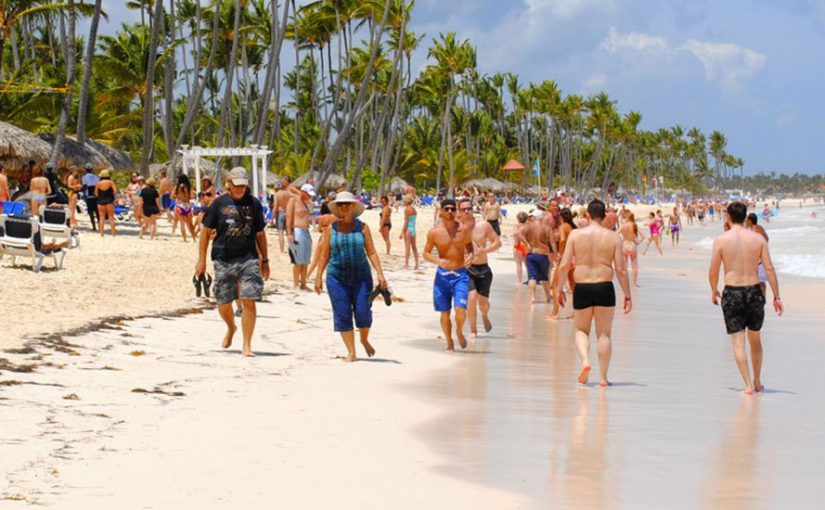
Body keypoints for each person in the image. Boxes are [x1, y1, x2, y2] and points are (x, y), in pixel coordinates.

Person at [709, 202, 783, 395]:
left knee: (737, 341)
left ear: (728, 217)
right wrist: (776, 296)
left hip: (732, 291)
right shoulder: (758, 239)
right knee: (755, 338)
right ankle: (758, 382)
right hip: (754, 291)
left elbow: (713, 270)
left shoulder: (721, 240)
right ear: (745, 217)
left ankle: (748, 385)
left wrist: (713, 290)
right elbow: (769, 268)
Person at [556, 200, 632, 387]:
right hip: (604, 286)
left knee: (581, 330)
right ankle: (603, 378)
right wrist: (627, 295)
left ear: (587, 215)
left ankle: (585, 361)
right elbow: (621, 270)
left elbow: (565, 264)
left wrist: (559, 289)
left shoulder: (575, 234)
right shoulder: (614, 237)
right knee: (604, 334)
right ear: (604, 215)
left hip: (582, 286)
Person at [196, 167, 269, 358]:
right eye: (236, 186)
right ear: (229, 184)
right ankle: (231, 327)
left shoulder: (254, 204)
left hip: (249, 258)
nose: (239, 190)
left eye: (243, 186)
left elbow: (260, 233)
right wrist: (201, 260)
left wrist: (265, 260)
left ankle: (247, 345)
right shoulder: (218, 204)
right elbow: (205, 232)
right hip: (223, 257)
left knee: (249, 300)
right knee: (223, 301)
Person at [314, 192, 388, 362]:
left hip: (361, 277)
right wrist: (318, 277)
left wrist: (380, 274)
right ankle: (351, 351)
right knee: (342, 313)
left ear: (353, 206)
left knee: (363, 312)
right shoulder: (330, 230)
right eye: (340, 205)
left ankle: (364, 339)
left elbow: (371, 251)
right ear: (337, 208)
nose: (344, 207)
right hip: (336, 277)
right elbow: (324, 255)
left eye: (347, 204)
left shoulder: (363, 228)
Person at [423, 198, 473, 351]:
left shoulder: (464, 229)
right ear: (441, 211)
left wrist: (470, 256)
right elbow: (426, 253)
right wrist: (438, 261)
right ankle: (449, 340)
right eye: (447, 209)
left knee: (460, 309)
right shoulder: (434, 232)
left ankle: (459, 331)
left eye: (453, 209)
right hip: (442, 277)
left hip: (461, 275)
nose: (450, 212)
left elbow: (469, 246)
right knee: (445, 313)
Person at [458, 197, 501, 337]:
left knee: (483, 303)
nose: (466, 212)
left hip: (483, 269)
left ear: (472, 209)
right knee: (471, 298)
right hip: (467, 270)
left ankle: (485, 315)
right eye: (463, 209)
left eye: (469, 208)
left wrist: (485, 250)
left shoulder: (484, 225)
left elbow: (497, 242)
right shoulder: (456, 229)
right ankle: (473, 330)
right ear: (459, 211)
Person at [549, 208, 577, 320]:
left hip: (566, 258)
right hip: (574, 258)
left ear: (561, 217)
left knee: (555, 285)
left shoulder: (563, 226)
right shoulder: (573, 228)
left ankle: (555, 312)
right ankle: (575, 313)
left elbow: (563, 240)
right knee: (573, 286)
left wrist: (560, 254)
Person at [287, 183, 315, 289]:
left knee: (305, 260)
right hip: (297, 231)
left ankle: (303, 283)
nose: (310, 196)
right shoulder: (293, 200)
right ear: (303, 192)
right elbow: (289, 217)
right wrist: (289, 233)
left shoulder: (306, 203)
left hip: (306, 232)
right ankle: (296, 284)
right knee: (298, 260)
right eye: (308, 194)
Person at [524, 209, 554, 303]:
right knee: (545, 277)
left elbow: (518, 233)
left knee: (532, 276)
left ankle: (533, 297)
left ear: (534, 217)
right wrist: (555, 254)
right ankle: (547, 297)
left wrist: (526, 243)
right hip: (542, 254)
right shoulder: (546, 227)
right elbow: (552, 242)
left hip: (531, 253)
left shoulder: (528, 226)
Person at [745, 213, 770, 297]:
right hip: (759, 258)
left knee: (756, 280)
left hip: (755, 258)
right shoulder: (757, 227)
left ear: (750, 220)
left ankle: (759, 297)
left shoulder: (754, 229)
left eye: (747, 219)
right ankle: (763, 297)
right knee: (761, 281)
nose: (745, 221)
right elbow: (767, 239)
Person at [619, 212, 642, 288]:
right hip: (633, 245)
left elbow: (616, 234)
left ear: (627, 218)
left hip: (625, 245)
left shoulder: (623, 226)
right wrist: (638, 242)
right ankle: (634, 283)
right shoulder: (635, 225)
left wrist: (621, 241)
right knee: (634, 266)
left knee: (624, 265)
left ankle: (625, 282)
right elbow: (643, 236)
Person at [173, 174, 197, 242]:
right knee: (190, 223)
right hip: (187, 205)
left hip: (179, 205)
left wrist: (178, 196)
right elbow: (192, 197)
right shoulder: (189, 187)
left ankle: (185, 239)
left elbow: (172, 196)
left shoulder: (177, 187)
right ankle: (194, 238)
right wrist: (187, 196)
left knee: (182, 223)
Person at [94, 170, 118, 236]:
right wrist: (115, 199)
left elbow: (96, 194)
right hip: (109, 201)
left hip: (100, 201)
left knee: (101, 218)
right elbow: (115, 191)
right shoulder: (110, 182)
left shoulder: (98, 183)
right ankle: (113, 234)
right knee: (111, 218)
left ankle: (102, 234)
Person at [400, 195, 419, 269]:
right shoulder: (414, 210)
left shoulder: (407, 209)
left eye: (404, 200)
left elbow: (406, 222)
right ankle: (417, 264)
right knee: (414, 247)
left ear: (407, 201)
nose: (403, 201)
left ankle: (406, 264)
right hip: (413, 229)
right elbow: (413, 221)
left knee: (407, 247)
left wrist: (402, 232)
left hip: (408, 229)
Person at [80, 164, 100, 231]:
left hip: (89, 196)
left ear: (85, 169)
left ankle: (94, 227)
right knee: (97, 212)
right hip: (96, 196)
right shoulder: (97, 177)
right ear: (92, 169)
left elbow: (85, 187)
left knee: (91, 212)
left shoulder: (84, 177)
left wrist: (79, 189)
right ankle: (100, 226)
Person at [512, 211, 529, 285]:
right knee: (527, 264)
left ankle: (519, 280)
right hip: (525, 246)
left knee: (519, 264)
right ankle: (529, 278)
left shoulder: (516, 226)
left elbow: (515, 234)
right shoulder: (527, 226)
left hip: (518, 245)